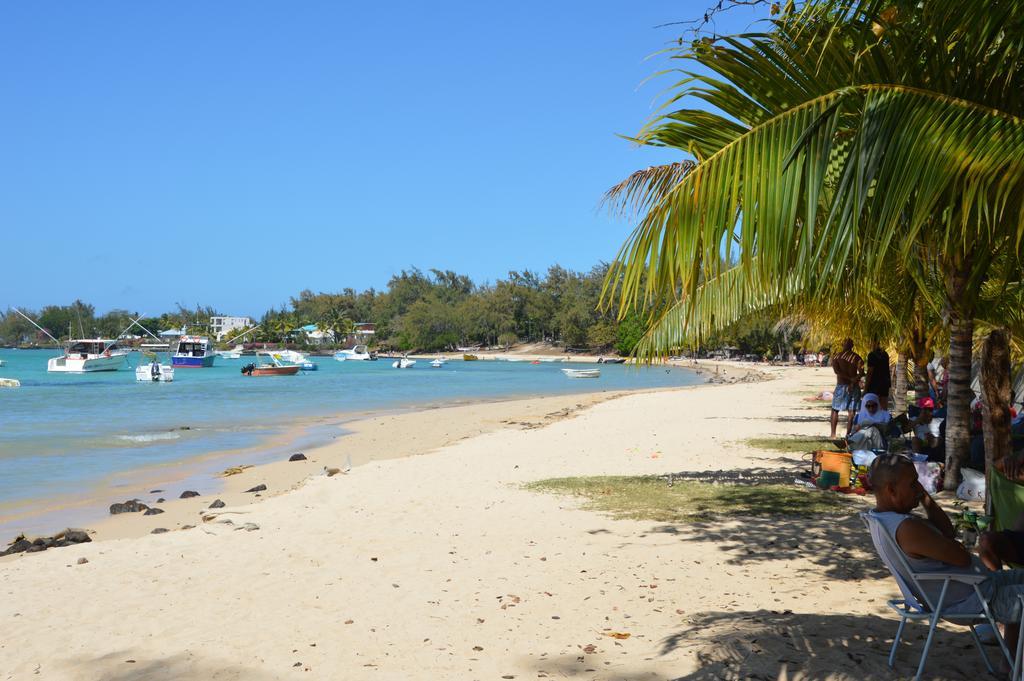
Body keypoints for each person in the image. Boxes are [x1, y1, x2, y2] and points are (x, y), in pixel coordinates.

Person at [869, 454, 1024, 653]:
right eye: (913, 483)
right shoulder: (907, 528)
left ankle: (1009, 664)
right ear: (891, 489)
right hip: (973, 600)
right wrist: (957, 547)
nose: (918, 487)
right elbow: (961, 557)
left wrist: (925, 497)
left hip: (977, 588)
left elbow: (948, 533)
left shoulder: (884, 518)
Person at [830, 338, 864, 439]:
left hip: (841, 386)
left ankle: (833, 434)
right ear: (852, 346)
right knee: (851, 411)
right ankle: (848, 434)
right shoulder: (857, 358)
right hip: (854, 386)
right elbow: (862, 372)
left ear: (842, 345)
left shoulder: (836, 357)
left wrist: (851, 380)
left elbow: (837, 371)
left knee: (835, 410)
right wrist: (853, 380)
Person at [912, 397, 944, 461]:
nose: (927, 412)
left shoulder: (937, 419)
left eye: (930, 410)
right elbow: (906, 428)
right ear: (920, 410)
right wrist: (919, 419)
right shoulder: (915, 419)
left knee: (938, 439)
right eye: (925, 409)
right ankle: (918, 463)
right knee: (915, 440)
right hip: (921, 441)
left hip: (933, 440)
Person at [864, 339, 891, 410]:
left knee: (873, 407)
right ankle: (884, 420)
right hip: (885, 383)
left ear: (874, 343)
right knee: (883, 407)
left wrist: (865, 388)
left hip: (874, 384)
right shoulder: (885, 354)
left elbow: (870, 372)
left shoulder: (872, 355)